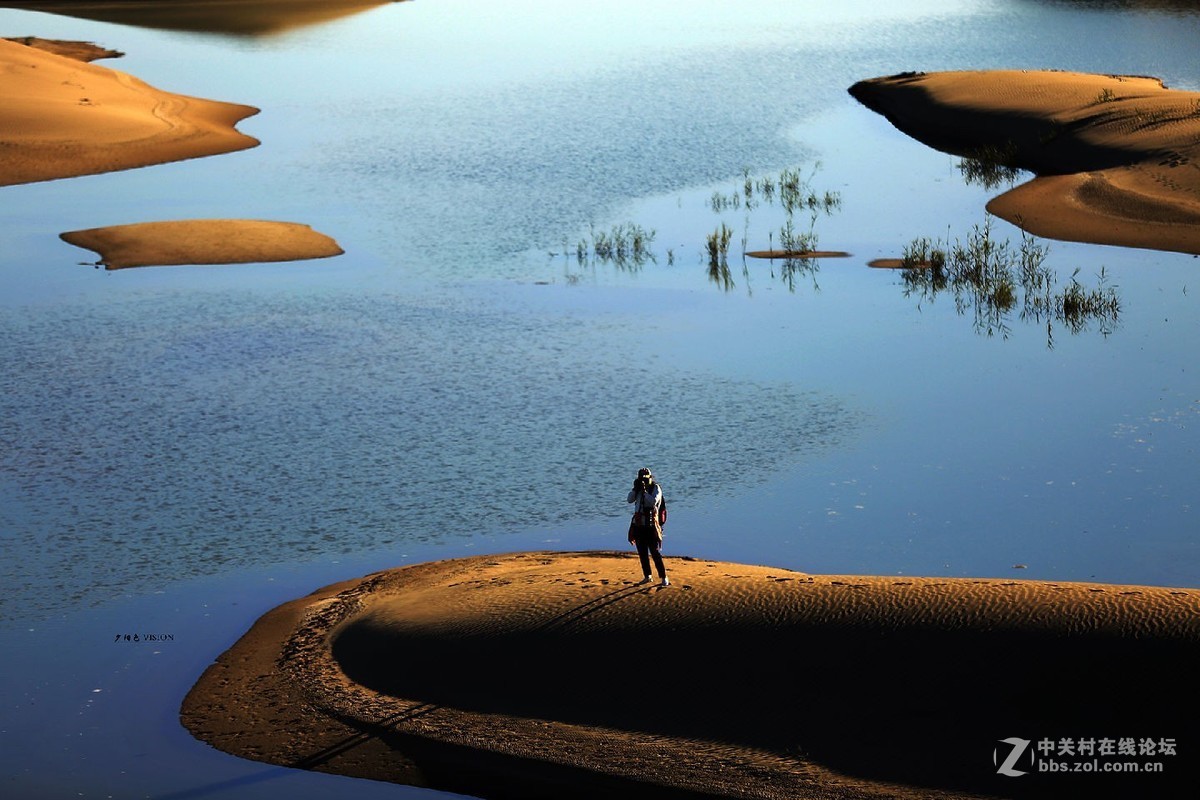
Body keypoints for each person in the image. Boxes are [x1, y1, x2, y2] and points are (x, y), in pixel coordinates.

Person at [626, 467, 669, 586]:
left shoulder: (656, 488)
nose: (643, 481)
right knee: (642, 553)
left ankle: (664, 577)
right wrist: (635, 489)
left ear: (651, 478)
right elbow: (629, 500)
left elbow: (653, 502)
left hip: (651, 526)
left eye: (645, 479)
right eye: (641, 479)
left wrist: (645, 492)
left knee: (655, 553)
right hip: (639, 525)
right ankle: (647, 576)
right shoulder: (638, 490)